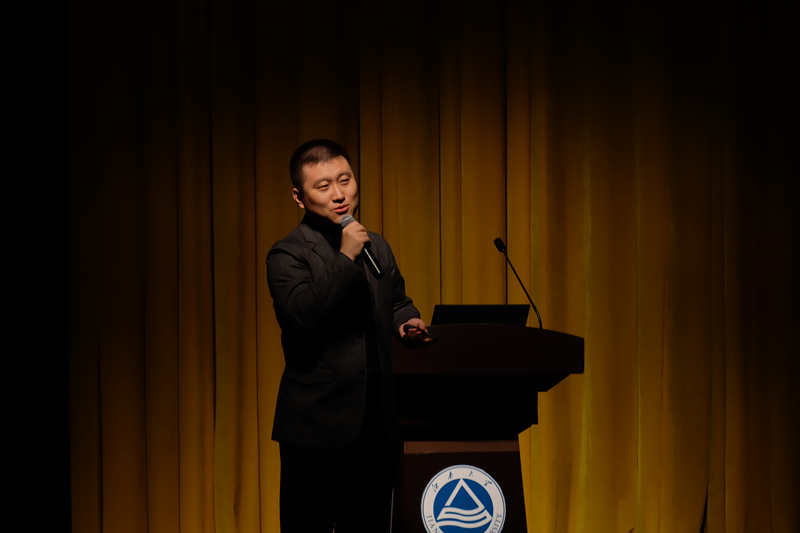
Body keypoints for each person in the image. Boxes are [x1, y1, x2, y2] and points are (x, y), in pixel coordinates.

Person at [266, 139, 429, 532]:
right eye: (323, 186)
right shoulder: (287, 254)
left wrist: (406, 321)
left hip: (376, 427)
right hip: (316, 429)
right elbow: (302, 318)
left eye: (345, 180)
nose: (339, 194)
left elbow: (396, 300)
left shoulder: (377, 245)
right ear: (299, 197)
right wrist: (345, 256)